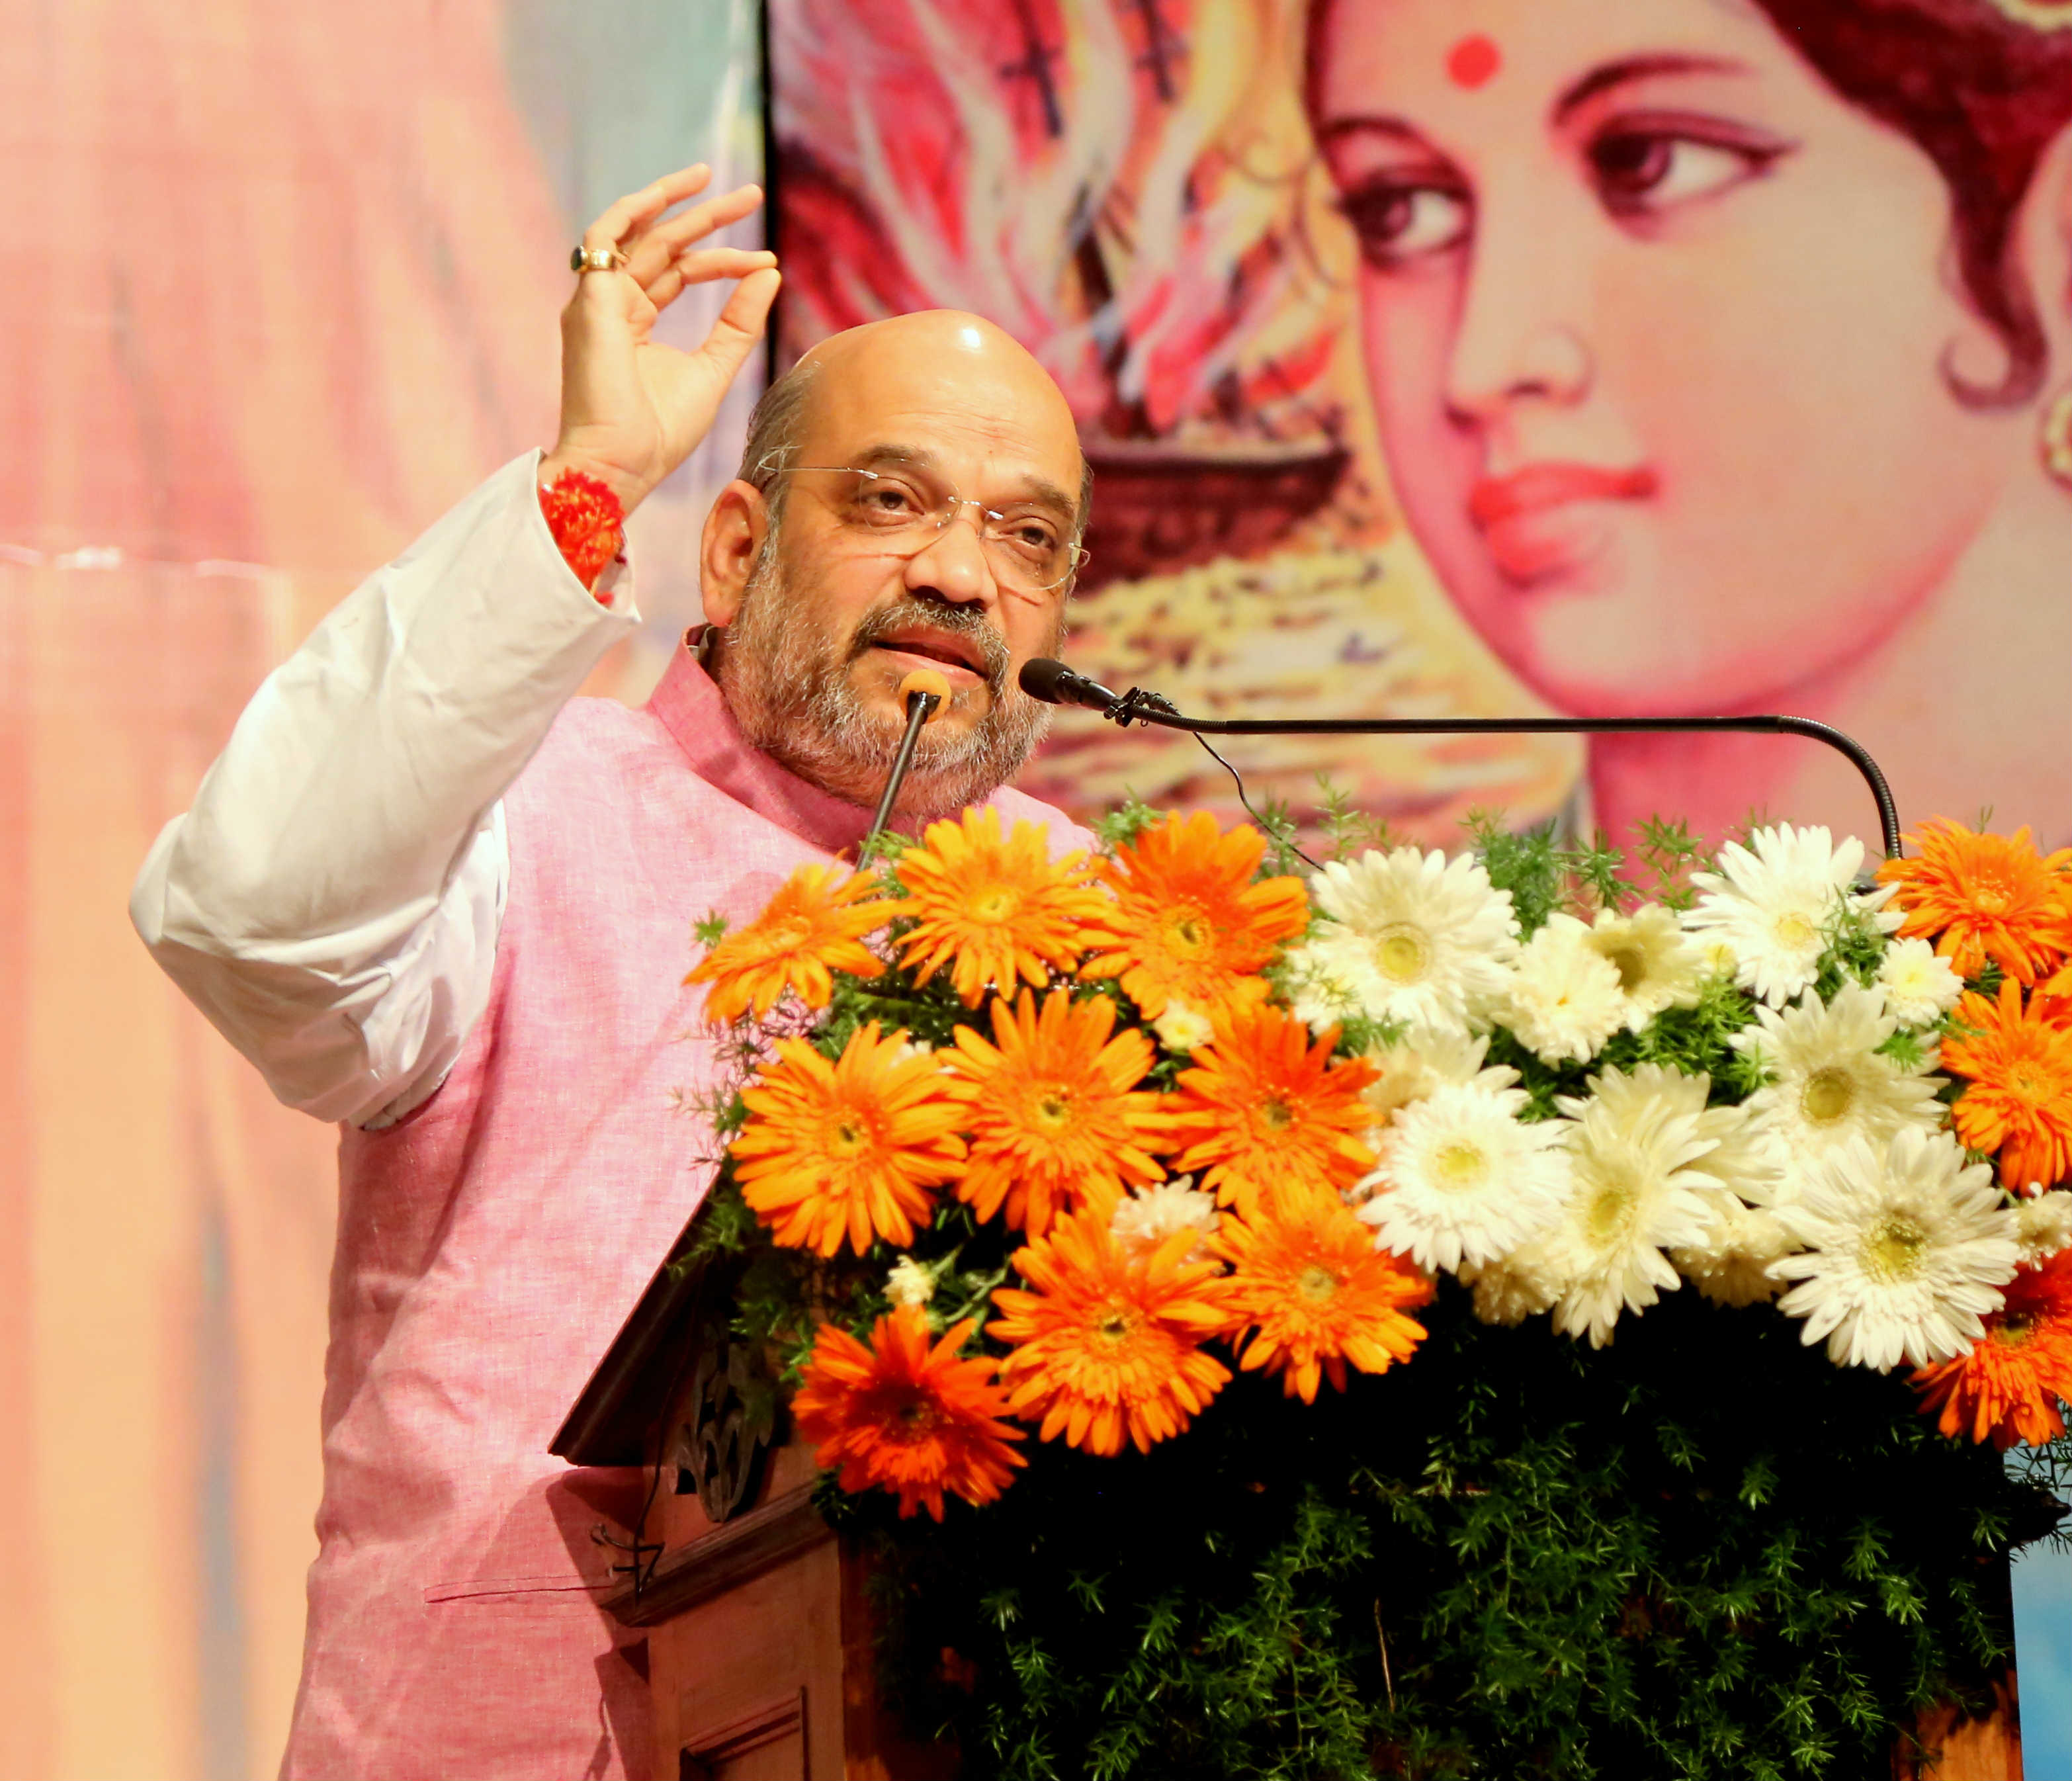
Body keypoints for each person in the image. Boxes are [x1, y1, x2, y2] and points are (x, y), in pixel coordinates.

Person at [128, 164, 1096, 1781]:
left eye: (1027, 537)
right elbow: (254, 915)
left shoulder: (1103, 921)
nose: (960, 575)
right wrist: (588, 475)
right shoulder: (522, 804)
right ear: (732, 552)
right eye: (887, 500)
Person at [1305, 0, 2072, 847]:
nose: (1484, 364)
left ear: (2056, 240)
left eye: (1648, 164)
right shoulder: (1369, 959)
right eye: (1401, 210)